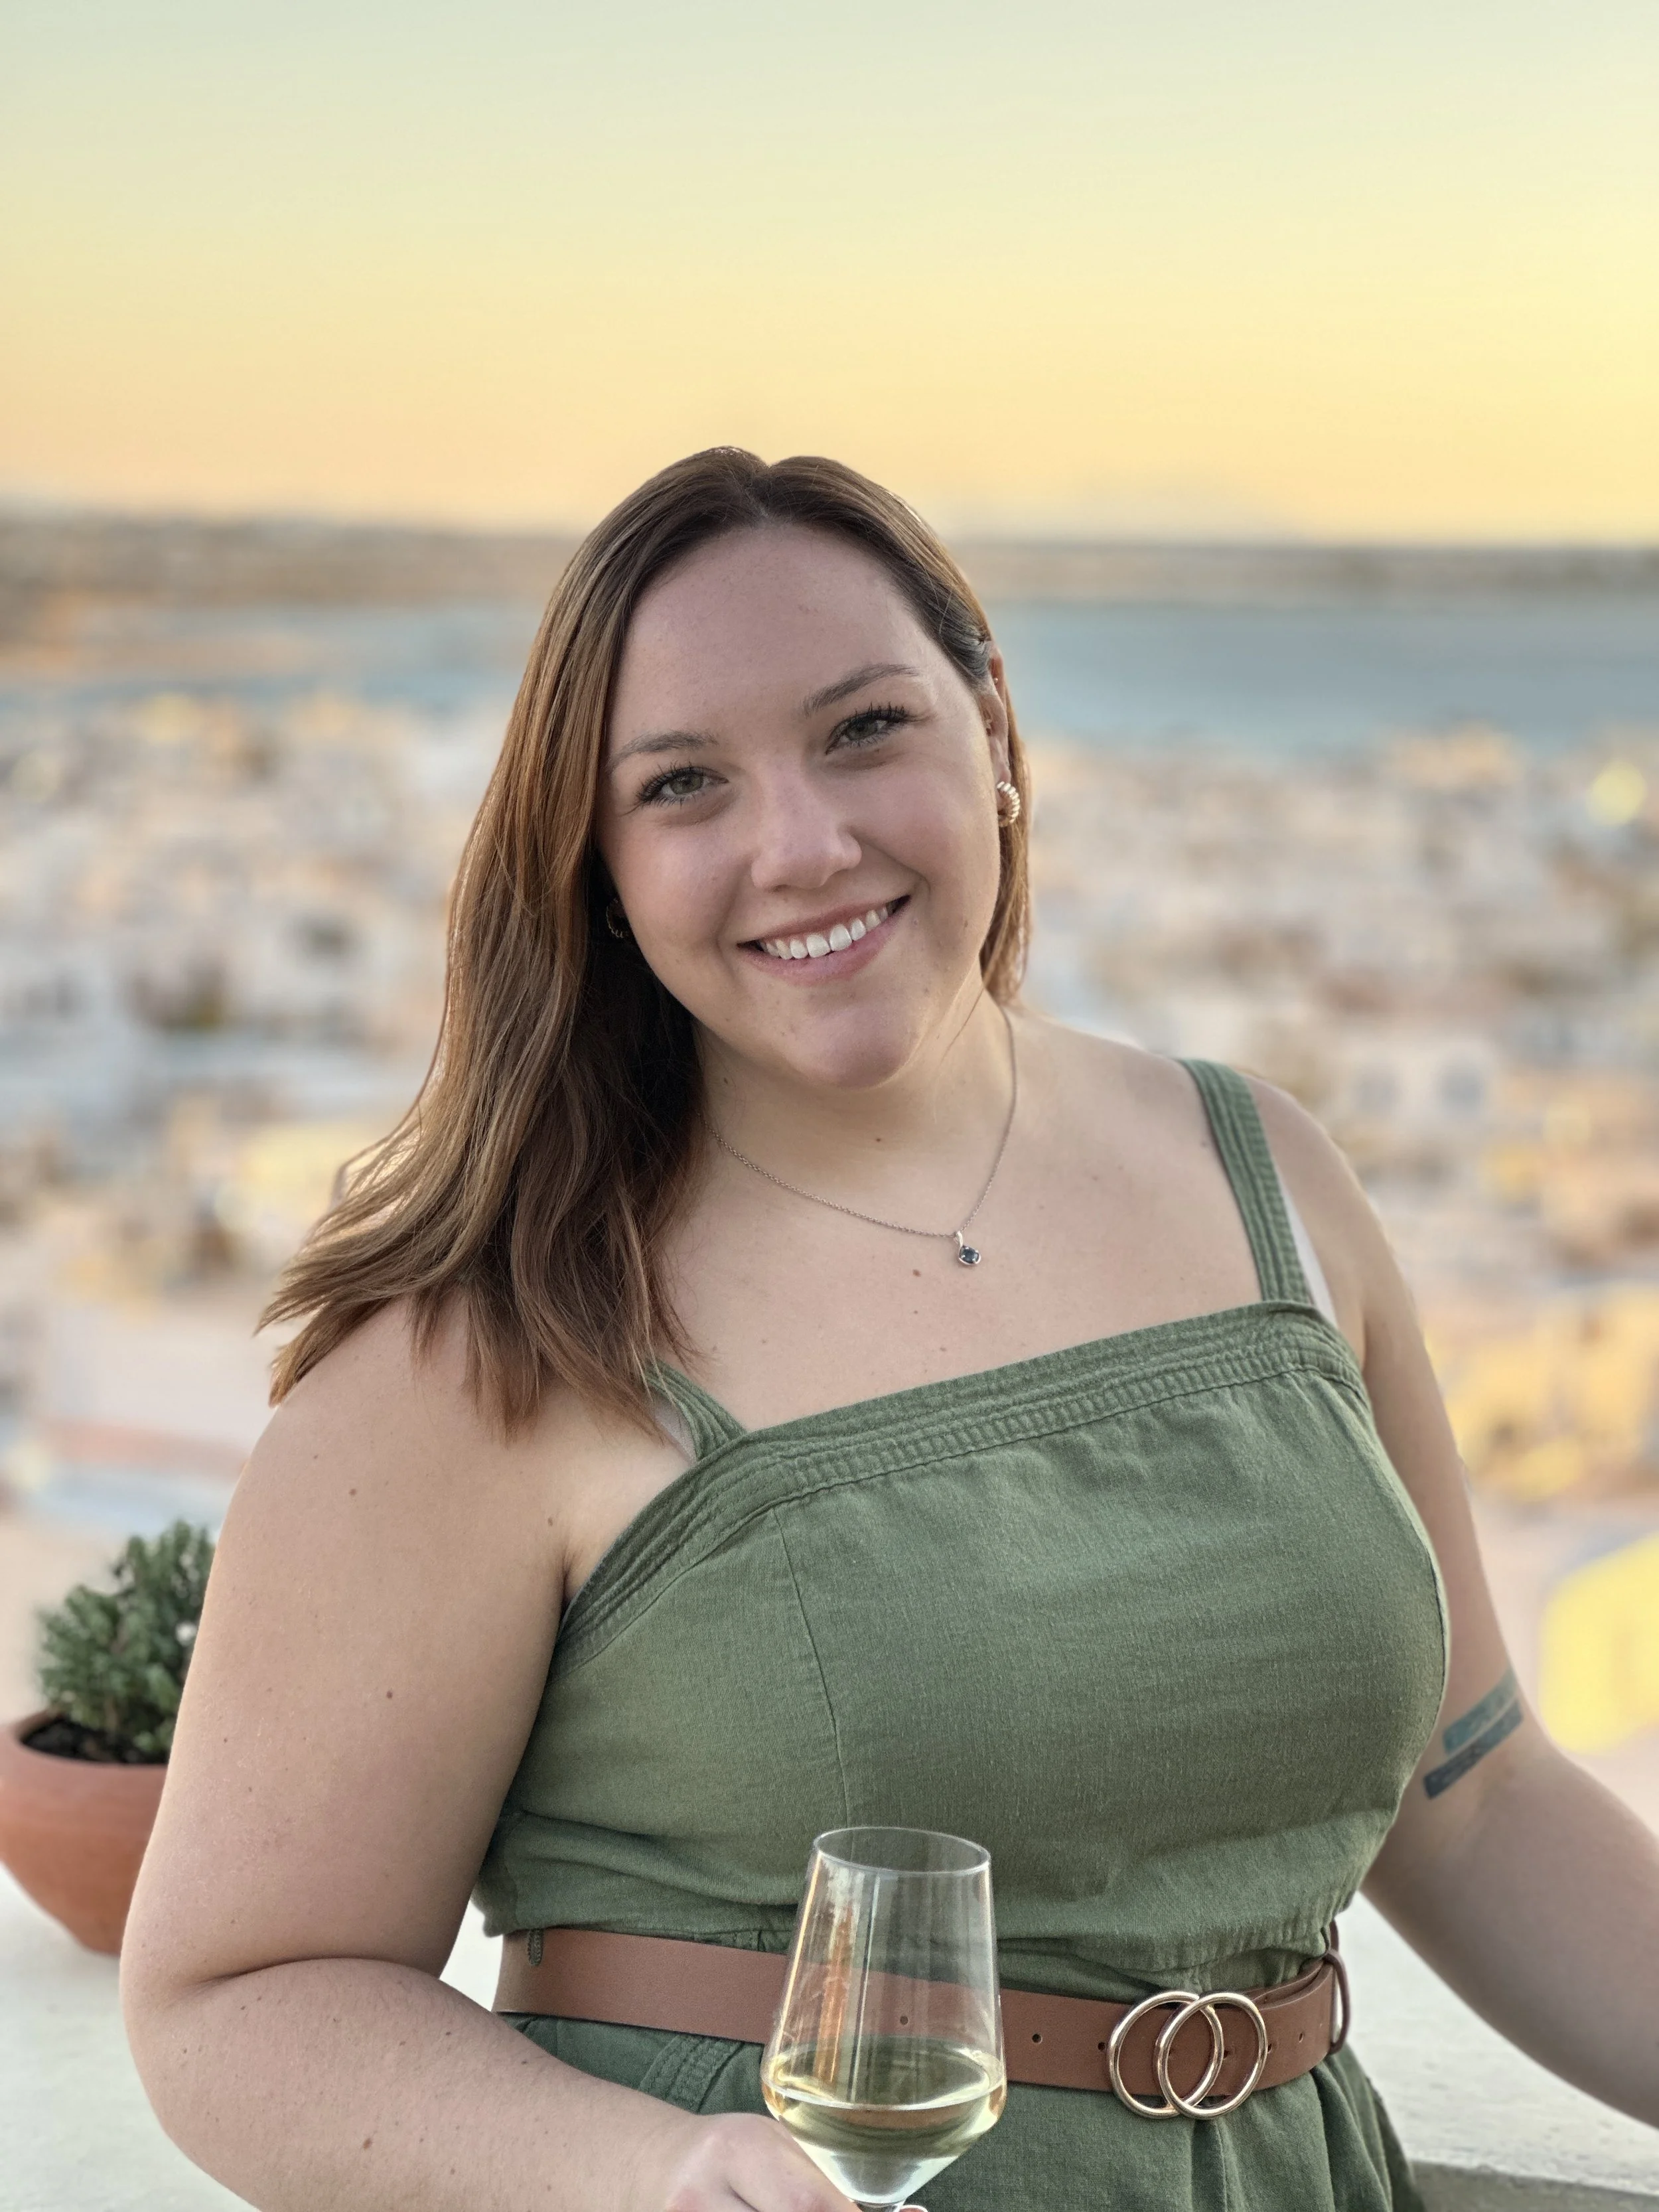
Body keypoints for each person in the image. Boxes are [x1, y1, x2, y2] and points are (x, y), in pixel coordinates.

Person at [122, 449, 1659, 2212]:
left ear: (993, 728)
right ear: (600, 862)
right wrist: (651, 2175)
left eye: (863, 729)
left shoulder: (1268, 1176)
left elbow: (1471, 1802)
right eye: (686, 785)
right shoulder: (496, 1338)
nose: (799, 844)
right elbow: (234, 1996)